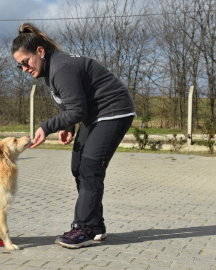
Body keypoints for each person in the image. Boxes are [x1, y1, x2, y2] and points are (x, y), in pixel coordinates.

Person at [11, 23, 136, 249]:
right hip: (94, 114)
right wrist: (67, 123)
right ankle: (95, 226)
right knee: (78, 166)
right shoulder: (50, 70)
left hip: (113, 111)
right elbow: (73, 104)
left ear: (40, 52)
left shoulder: (61, 67)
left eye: (25, 62)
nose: (23, 69)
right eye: (19, 66)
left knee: (90, 168)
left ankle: (84, 228)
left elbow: (78, 110)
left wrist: (47, 126)